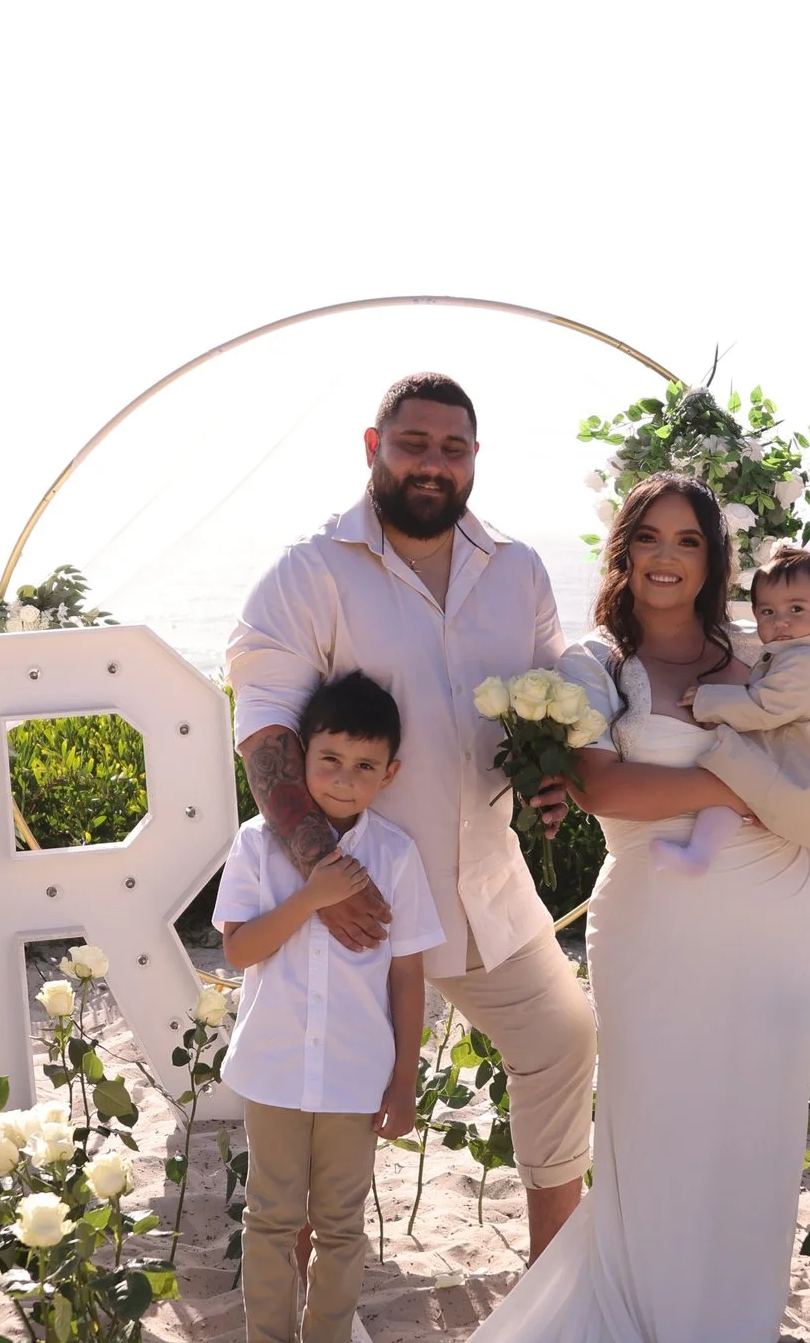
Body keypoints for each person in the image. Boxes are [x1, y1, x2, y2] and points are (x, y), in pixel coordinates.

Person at [307, 473, 810, 1343]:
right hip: (658, 926)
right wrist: (739, 786)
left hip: (776, 913)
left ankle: (733, 1332)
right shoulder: (596, 664)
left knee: (756, 1119)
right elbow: (603, 788)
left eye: (690, 541)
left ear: (715, 558)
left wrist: (767, 787)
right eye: (650, 539)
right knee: (658, 1121)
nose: (669, 558)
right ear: (623, 552)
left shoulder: (761, 654)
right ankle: (657, 1327)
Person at [225, 372, 598, 1269]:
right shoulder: (308, 572)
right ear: (372, 446)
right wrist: (329, 877)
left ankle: (554, 1286)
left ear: (474, 458)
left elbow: (545, 701)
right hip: (360, 900)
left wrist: (555, 775)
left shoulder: (519, 570)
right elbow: (267, 732)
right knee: (324, 1099)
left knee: (562, 1038)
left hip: (485, 887)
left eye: (454, 447)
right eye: (414, 443)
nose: (434, 463)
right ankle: (299, 1307)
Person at [213, 671, 443, 1343]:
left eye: (365, 766)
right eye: (329, 760)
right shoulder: (256, 845)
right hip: (275, 1068)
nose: (345, 781)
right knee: (272, 1215)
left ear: (390, 773)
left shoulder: (398, 855)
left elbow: (408, 976)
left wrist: (404, 1080)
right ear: (301, 756)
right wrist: (313, 895)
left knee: (343, 1222)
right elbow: (240, 951)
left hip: (354, 1072)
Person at [653, 548, 810, 879]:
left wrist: (709, 700)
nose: (780, 622)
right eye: (767, 612)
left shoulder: (804, 660)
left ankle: (699, 854)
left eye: (796, 608)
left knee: (731, 773)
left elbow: (766, 706)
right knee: (807, 815)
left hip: (807, 759)